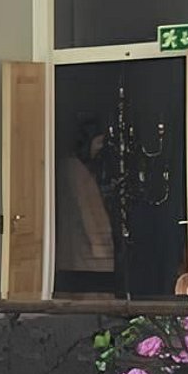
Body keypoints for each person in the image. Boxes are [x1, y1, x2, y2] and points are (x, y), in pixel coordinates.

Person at [53, 120, 116, 297]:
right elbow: (90, 212)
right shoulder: (76, 170)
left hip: (70, 252)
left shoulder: (65, 166)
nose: (101, 149)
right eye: (99, 142)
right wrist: (102, 246)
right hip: (86, 254)